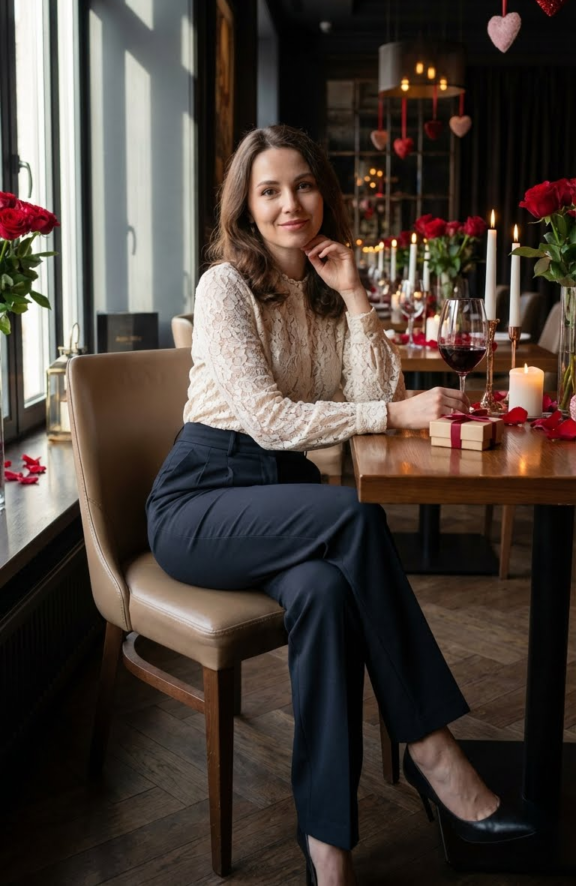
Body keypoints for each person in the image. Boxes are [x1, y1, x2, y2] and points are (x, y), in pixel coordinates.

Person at [146, 125, 533, 886]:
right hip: (202, 498)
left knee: (324, 593)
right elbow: (268, 419)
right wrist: (392, 414)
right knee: (357, 516)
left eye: (303, 185)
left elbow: (373, 396)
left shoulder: (326, 288)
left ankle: (328, 848)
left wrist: (355, 296)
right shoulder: (225, 286)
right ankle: (433, 752)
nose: (289, 203)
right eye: (269, 191)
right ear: (246, 208)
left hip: (283, 497)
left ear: (324, 192)